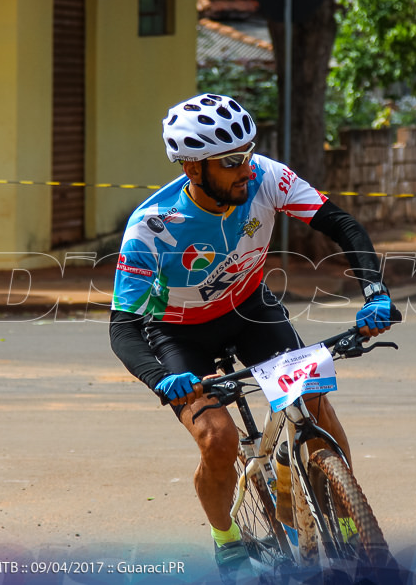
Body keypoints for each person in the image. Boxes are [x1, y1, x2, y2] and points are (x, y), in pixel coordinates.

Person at [108, 93, 399, 580]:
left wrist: (374, 291)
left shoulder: (265, 176)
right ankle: (226, 537)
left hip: (250, 309)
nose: (246, 169)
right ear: (193, 169)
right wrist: (162, 379)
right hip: (178, 331)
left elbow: (341, 225)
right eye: (231, 162)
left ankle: (352, 527)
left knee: (314, 404)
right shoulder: (151, 229)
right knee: (218, 439)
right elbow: (123, 328)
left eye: (248, 153)